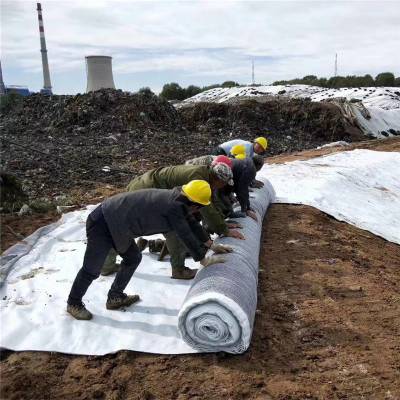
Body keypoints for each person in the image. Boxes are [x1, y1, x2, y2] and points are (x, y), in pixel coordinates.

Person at [67, 180, 231, 320]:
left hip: (120, 225)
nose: (197, 211)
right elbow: (185, 233)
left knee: (133, 258)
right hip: (103, 222)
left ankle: (115, 297)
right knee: (92, 268)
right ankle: (73, 303)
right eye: (199, 207)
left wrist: (211, 244)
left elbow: (192, 224)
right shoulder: (173, 206)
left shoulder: (180, 201)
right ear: (194, 203)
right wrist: (203, 259)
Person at [101, 162, 244, 279]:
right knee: (169, 230)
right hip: (145, 189)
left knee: (132, 226)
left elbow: (193, 219)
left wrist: (211, 244)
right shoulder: (197, 181)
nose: (224, 186)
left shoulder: (203, 178)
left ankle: (110, 264)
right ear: (218, 179)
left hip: (150, 188)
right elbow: (202, 215)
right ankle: (179, 269)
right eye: (224, 183)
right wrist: (220, 234)